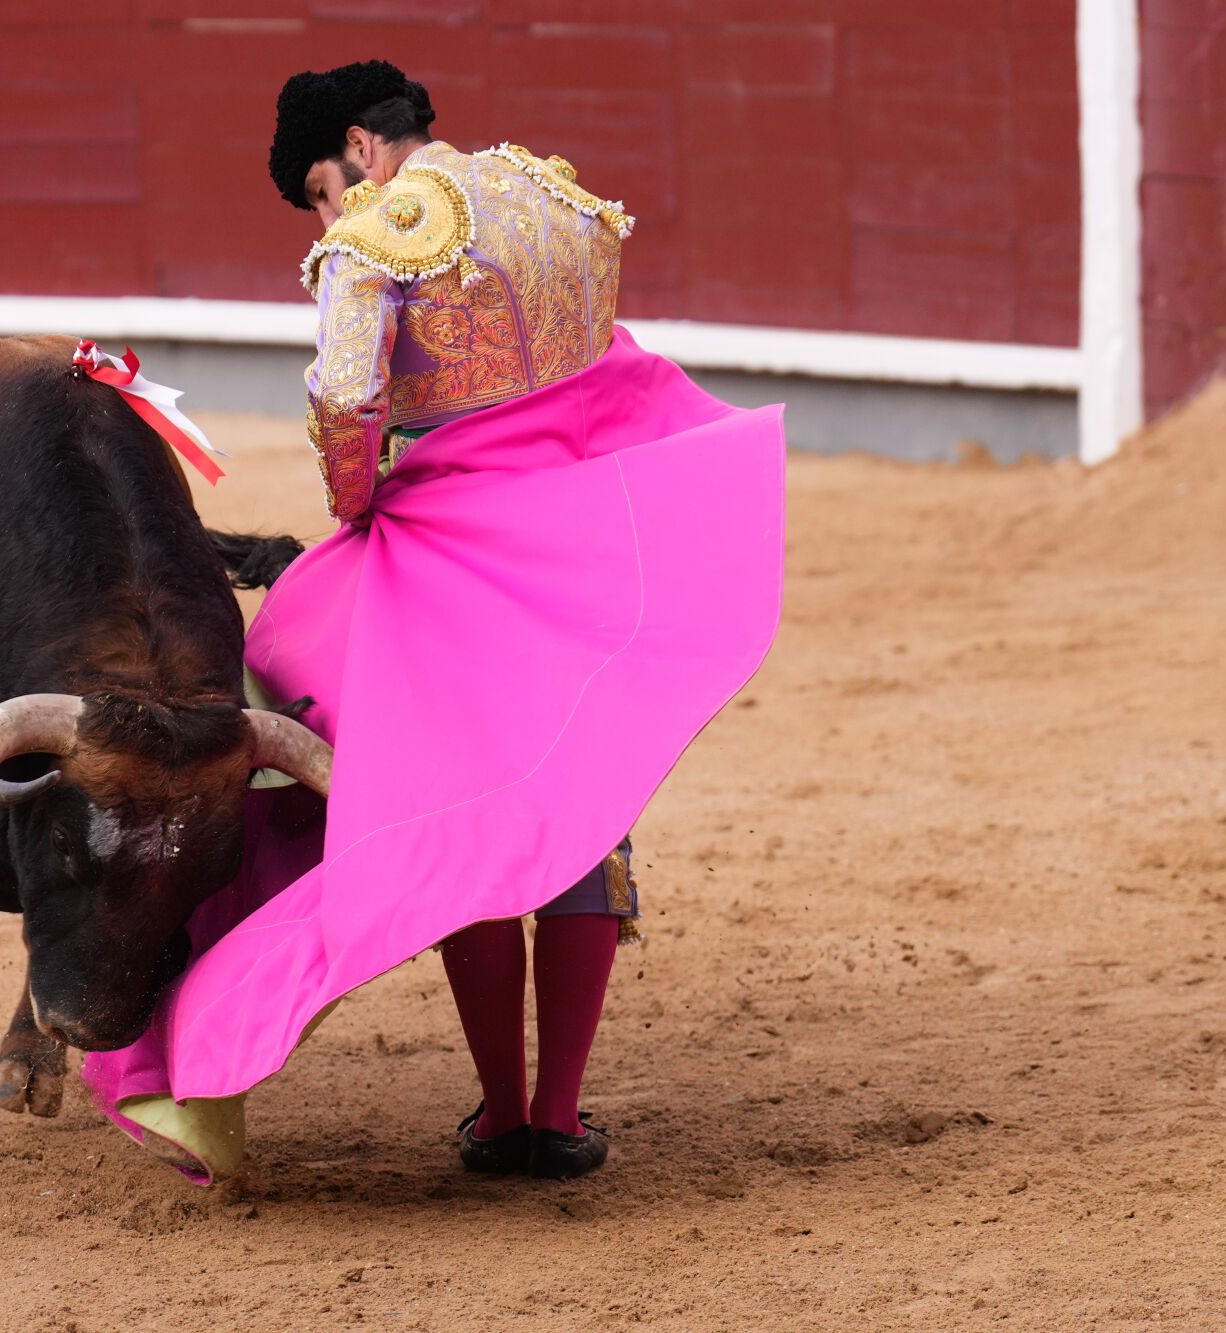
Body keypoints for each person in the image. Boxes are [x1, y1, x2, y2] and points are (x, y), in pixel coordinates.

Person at [80, 61, 784, 1186]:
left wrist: (362, 511)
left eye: (322, 191)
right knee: (579, 809)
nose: (328, 219)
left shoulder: (377, 237)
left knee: (460, 811)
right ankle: (557, 1114)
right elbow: (602, 364)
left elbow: (345, 405)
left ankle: (501, 1113)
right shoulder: (553, 195)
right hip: (589, 541)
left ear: (360, 149)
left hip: (456, 562)